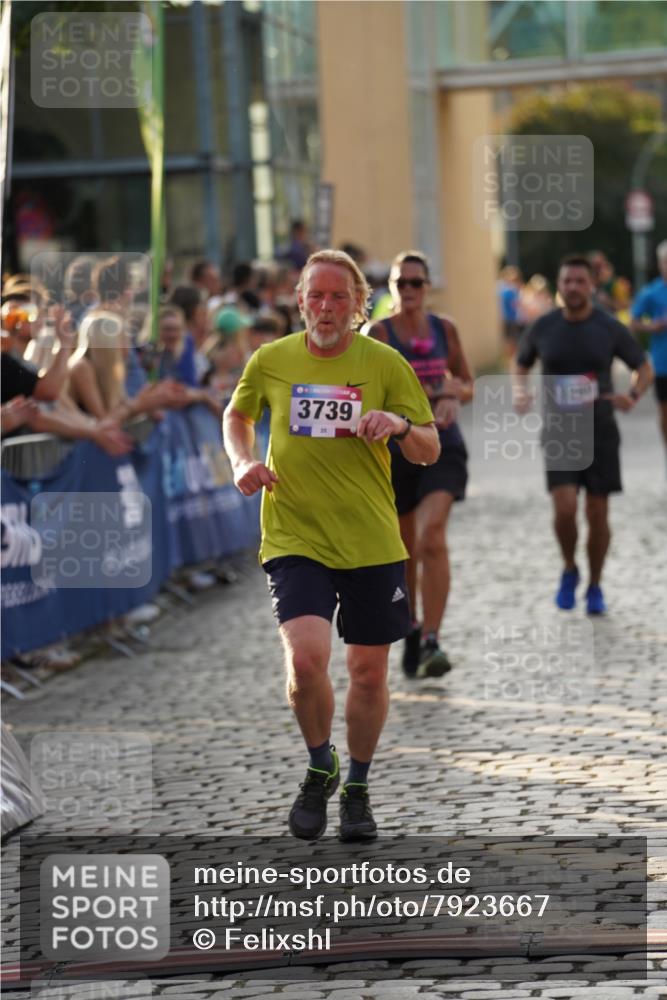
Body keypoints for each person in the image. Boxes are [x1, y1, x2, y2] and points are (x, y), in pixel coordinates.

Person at [223, 249, 438, 842]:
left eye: (338, 296)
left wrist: (396, 425)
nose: (325, 307)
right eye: (315, 295)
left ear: (358, 305)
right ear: (299, 302)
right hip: (295, 532)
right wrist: (242, 459)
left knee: (367, 673)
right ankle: (322, 762)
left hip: (370, 537)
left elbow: (429, 446)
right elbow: (236, 416)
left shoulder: (385, 363)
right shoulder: (271, 360)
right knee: (305, 660)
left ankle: (359, 787)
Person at [514, 255, 653, 615]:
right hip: (560, 431)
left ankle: (594, 584)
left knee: (597, 511)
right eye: (566, 281)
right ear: (559, 286)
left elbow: (643, 367)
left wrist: (633, 396)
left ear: (592, 285)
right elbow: (521, 362)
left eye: (579, 281)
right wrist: (520, 390)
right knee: (564, 508)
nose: (572, 287)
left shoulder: (608, 327)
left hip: (601, 431)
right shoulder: (544, 326)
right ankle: (569, 568)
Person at [368, 251, 473, 679]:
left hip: (442, 445)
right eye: (400, 283)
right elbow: (364, 393)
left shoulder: (445, 329)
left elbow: (466, 381)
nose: (408, 290)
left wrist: (452, 396)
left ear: (428, 287)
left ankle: (432, 638)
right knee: (406, 550)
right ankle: (410, 626)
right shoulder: (378, 333)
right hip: (396, 451)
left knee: (432, 537)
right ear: (391, 288)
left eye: (416, 282)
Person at [631, 239, 667, 471]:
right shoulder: (651, 292)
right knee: (665, 413)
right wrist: (652, 326)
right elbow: (633, 322)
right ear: (660, 264)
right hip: (663, 363)